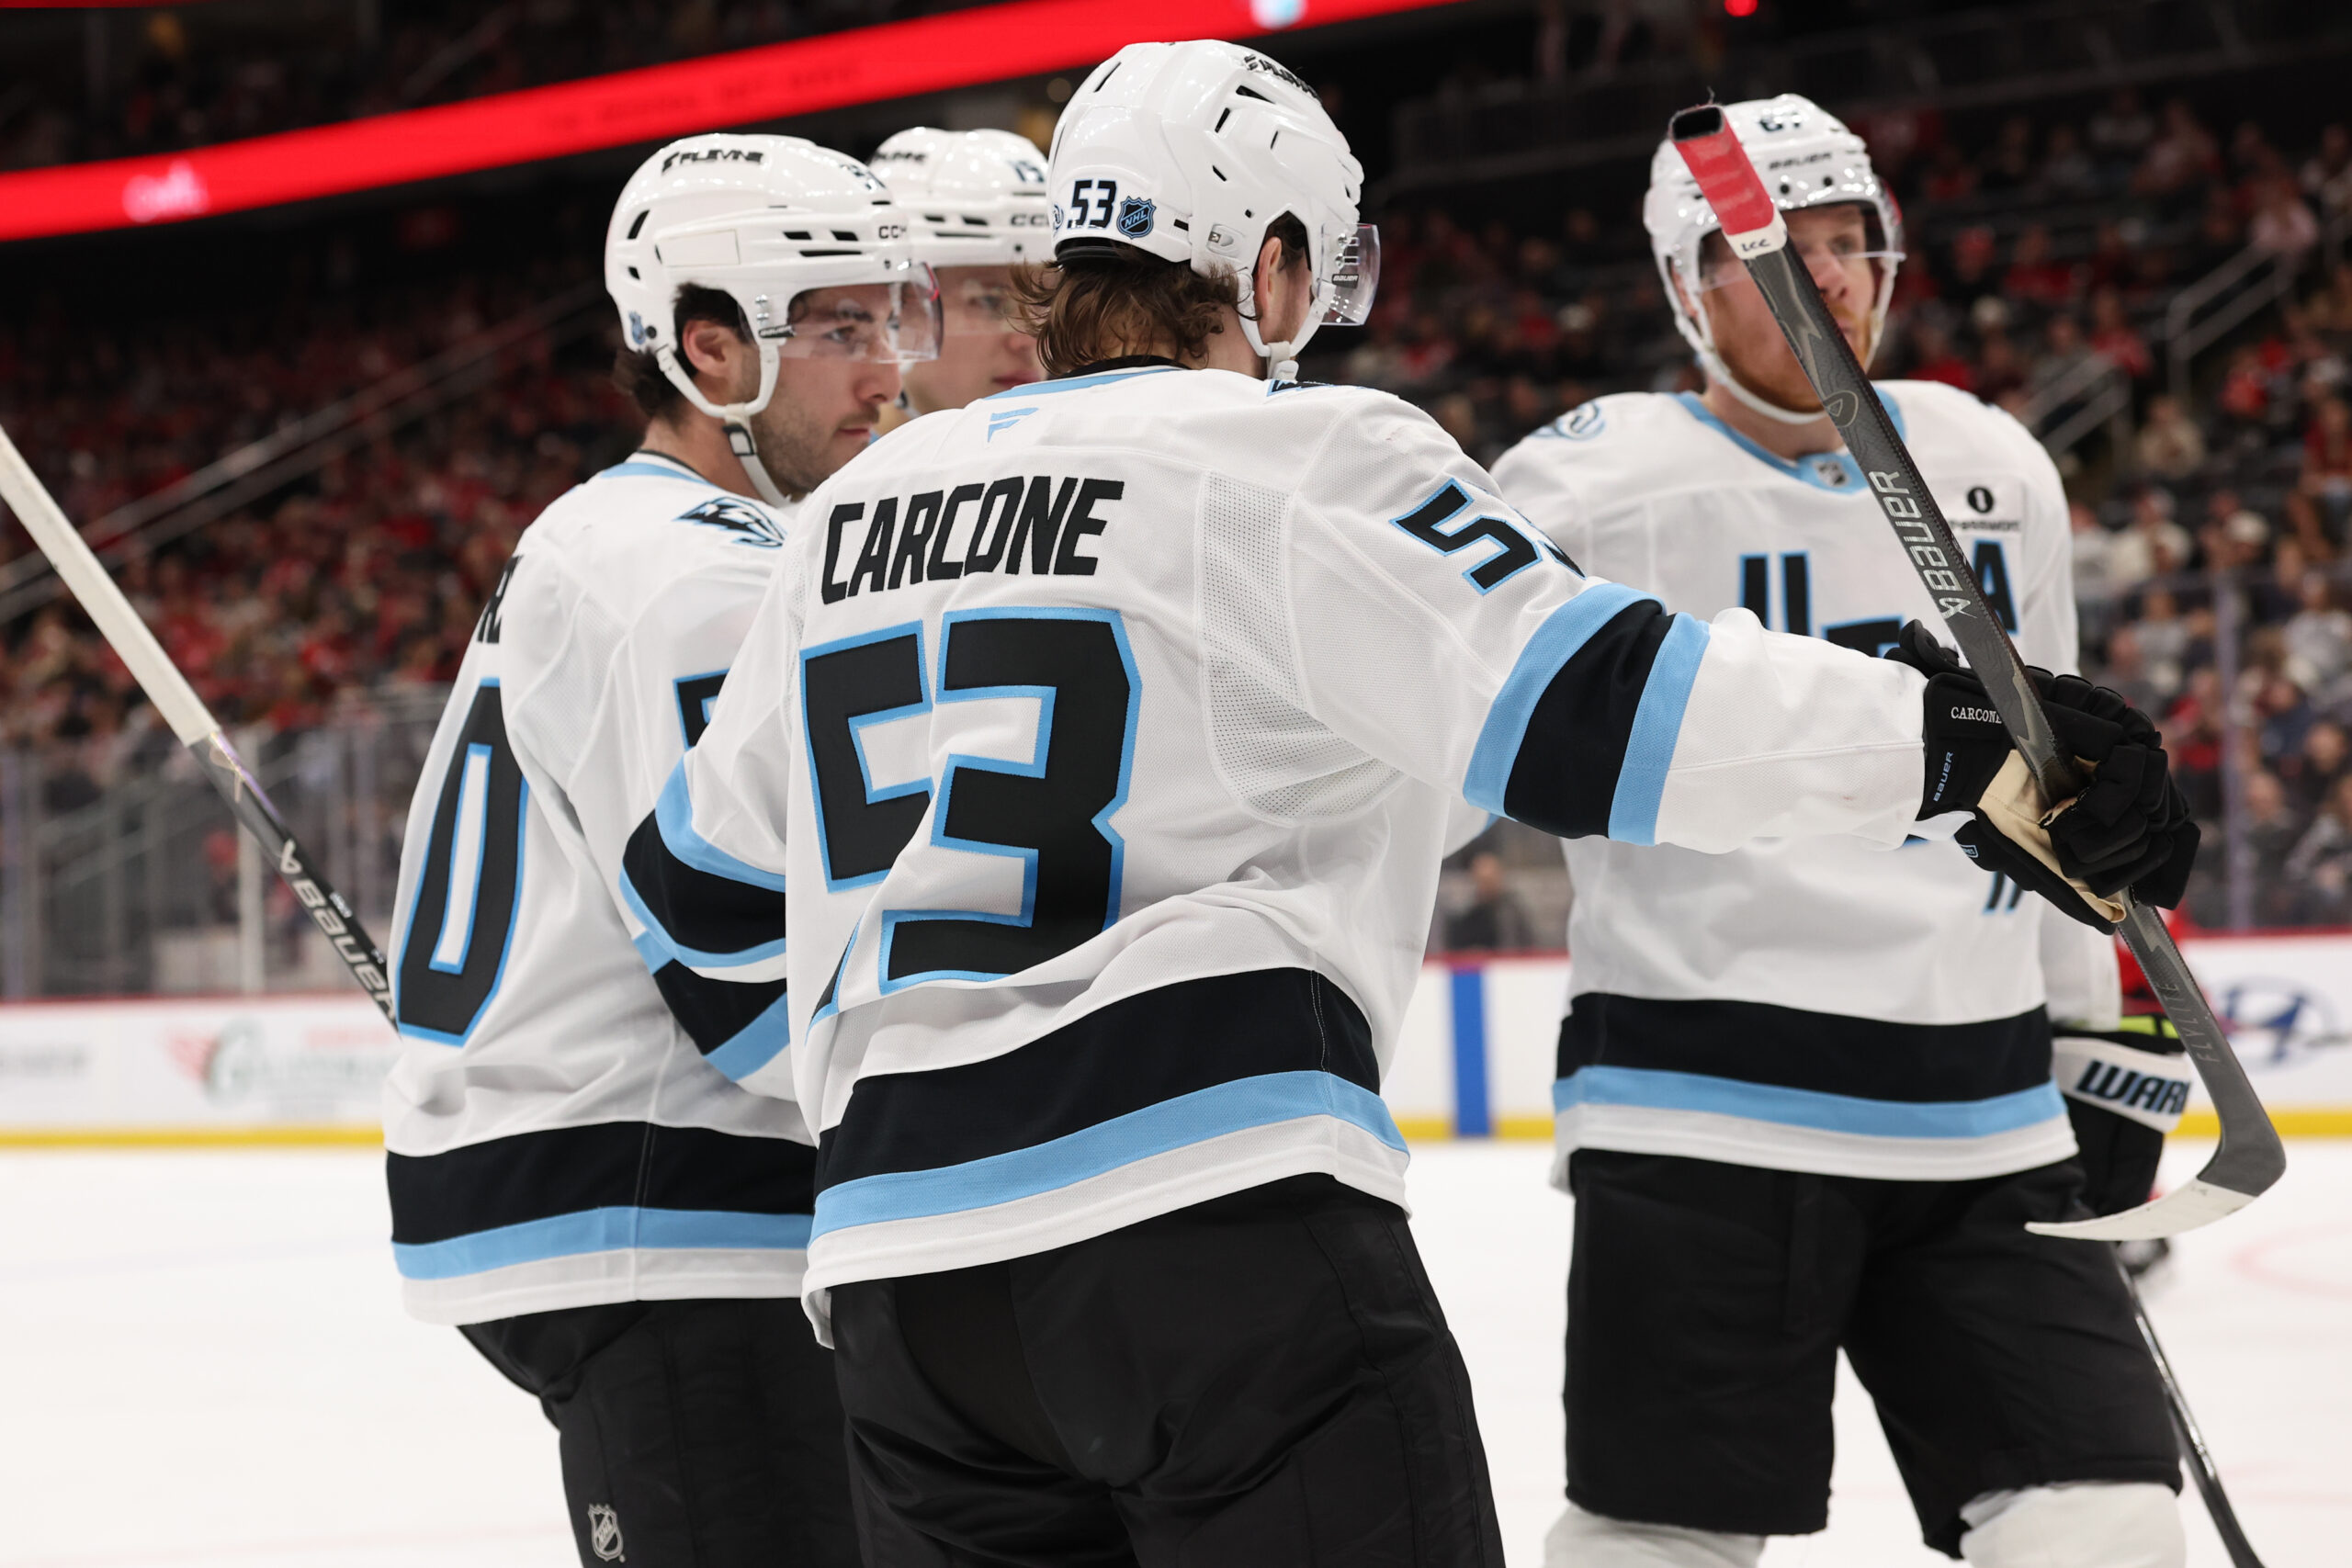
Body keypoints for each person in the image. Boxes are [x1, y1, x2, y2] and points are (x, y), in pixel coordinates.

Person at [621, 46, 2193, 1566]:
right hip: (1207, 1235)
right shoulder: (1299, 453)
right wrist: (1962, 736)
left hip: (906, 1291)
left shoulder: (853, 520)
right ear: (1279, 262)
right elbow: (1611, 711)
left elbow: (690, 885)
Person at [1492, 95, 2197, 1568]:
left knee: (2111, 1517)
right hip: (1698, 1098)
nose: (1825, 281)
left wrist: (2102, 1046)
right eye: (1770, 254)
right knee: (1662, 1538)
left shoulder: (1992, 462)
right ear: (1688, 286)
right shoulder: (1586, 486)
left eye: (1845, 242)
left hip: (1981, 1109)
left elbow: (2071, 807)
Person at [380, 132, 938, 1568]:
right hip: (661, 1207)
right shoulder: (697, 570)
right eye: (837, 328)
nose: (889, 368)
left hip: (620, 1178)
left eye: (892, 318)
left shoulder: (629, 535)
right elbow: (745, 963)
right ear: (709, 348)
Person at [870, 126, 1051, 417]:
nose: (1029, 340)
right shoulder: (827, 463)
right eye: (989, 301)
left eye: (1046, 301)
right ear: (891, 310)